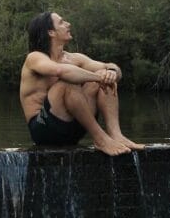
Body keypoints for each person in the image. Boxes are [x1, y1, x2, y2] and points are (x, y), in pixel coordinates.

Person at [20, 11, 144, 156]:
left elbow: (112, 67)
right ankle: (100, 139)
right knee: (68, 83)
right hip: (44, 130)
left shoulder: (75, 58)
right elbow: (60, 71)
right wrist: (98, 77)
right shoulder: (35, 58)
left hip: (75, 128)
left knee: (105, 78)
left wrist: (111, 72)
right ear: (51, 32)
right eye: (62, 22)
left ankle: (116, 135)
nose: (68, 24)